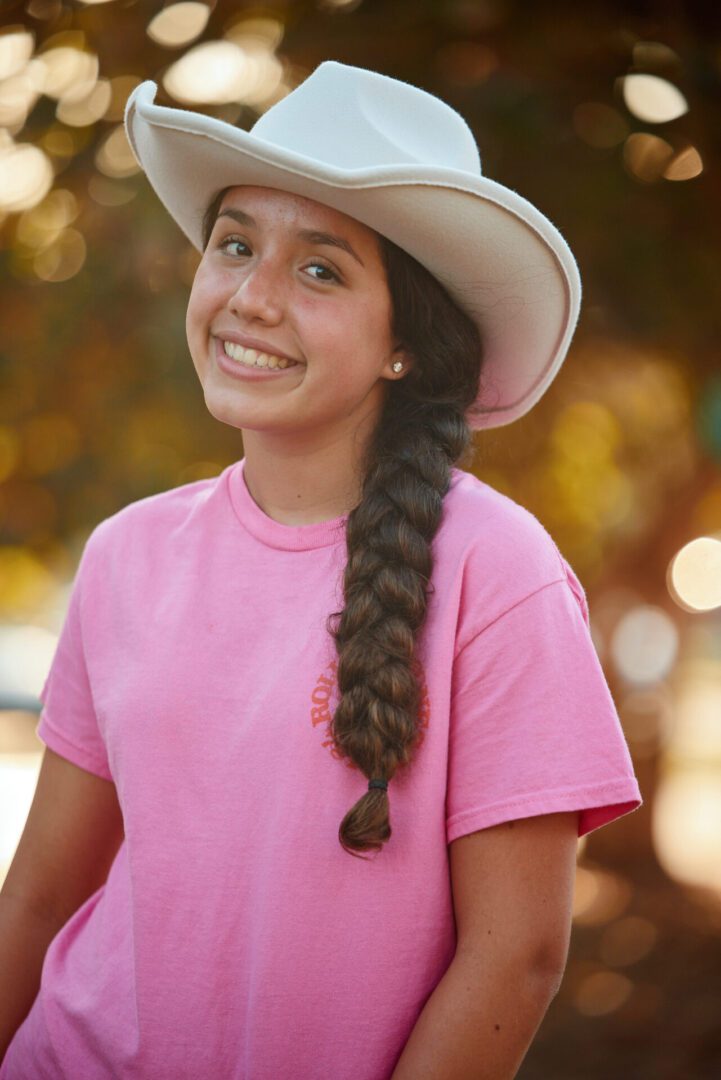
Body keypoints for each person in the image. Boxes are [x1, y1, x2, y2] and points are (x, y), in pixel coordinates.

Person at [0, 61, 642, 1080]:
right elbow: (38, 894)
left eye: (319, 270)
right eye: (235, 245)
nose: (250, 297)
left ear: (405, 343)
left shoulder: (497, 569)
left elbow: (516, 957)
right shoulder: (126, 554)